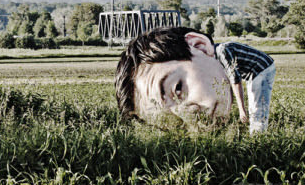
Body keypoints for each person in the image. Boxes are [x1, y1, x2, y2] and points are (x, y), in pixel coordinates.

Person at [115, 26, 275, 134]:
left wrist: (241, 110)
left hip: (262, 68)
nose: (189, 115)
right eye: (174, 122)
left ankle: (258, 142)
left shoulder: (224, 52)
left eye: (178, 89)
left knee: (258, 111)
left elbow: (235, 79)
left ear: (199, 46)